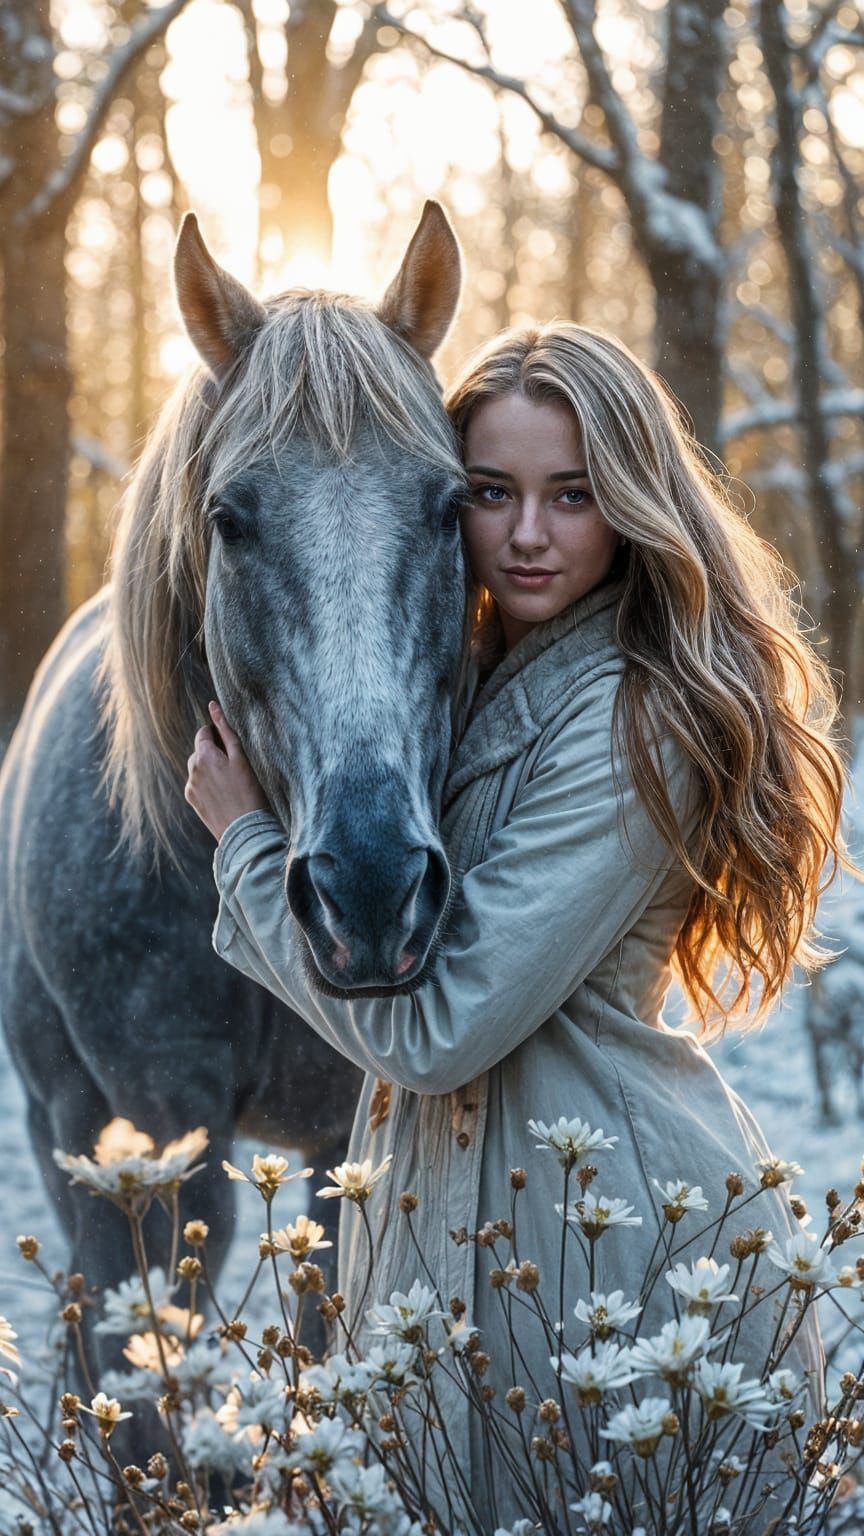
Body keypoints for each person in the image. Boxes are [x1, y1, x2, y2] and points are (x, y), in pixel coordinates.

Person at [185, 322, 848, 1531]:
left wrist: (245, 849)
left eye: (574, 495)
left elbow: (436, 1031)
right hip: (467, 1247)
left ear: (635, 502)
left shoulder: (633, 719)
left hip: (612, 1276)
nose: (527, 535)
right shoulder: (490, 681)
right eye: (491, 494)